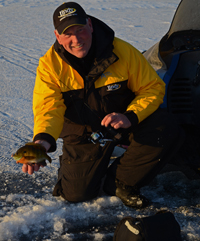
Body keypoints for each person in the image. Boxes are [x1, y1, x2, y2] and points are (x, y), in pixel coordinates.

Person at [22, 2, 184, 208]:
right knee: (77, 194)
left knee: (167, 127)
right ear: (57, 35)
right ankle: (75, 167)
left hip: (121, 124)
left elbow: (152, 88)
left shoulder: (122, 51)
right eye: (68, 34)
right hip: (83, 132)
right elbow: (48, 107)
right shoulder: (50, 65)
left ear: (90, 25)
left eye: (80, 30)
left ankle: (121, 182)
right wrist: (42, 142)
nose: (76, 39)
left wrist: (130, 115)